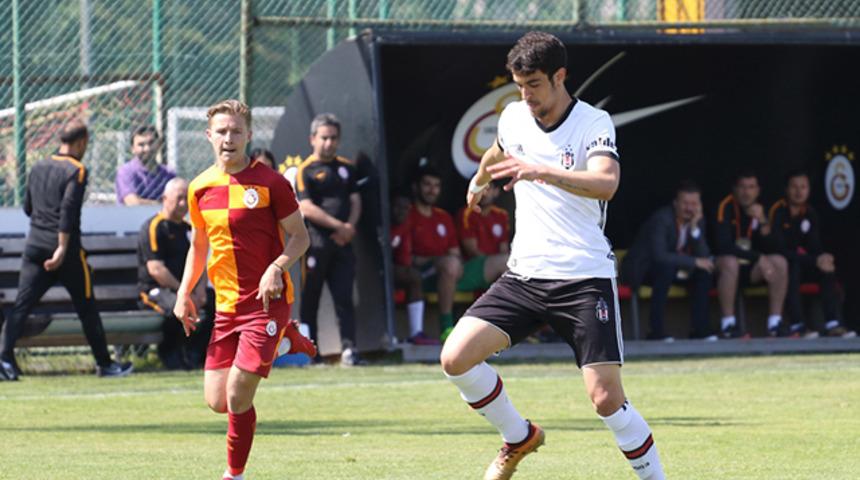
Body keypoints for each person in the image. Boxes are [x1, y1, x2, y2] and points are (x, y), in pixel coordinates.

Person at [440, 32, 665, 480]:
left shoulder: (593, 122)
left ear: (560, 77)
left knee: (605, 399)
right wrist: (480, 180)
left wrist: (540, 171)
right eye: (520, 85)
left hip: (584, 278)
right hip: (524, 276)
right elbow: (497, 152)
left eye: (534, 85)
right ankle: (518, 436)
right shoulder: (513, 118)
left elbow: (606, 183)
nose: (526, 95)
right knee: (455, 358)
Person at [173, 99, 317, 480]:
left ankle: (234, 474)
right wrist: (184, 292)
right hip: (226, 306)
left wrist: (276, 267)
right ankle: (284, 341)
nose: (229, 138)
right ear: (208, 135)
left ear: (249, 135)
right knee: (217, 401)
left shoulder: (271, 183)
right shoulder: (199, 187)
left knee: (237, 395)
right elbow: (198, 246)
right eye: (221, 131)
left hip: (267, 302)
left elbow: (301, 237)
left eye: (236, 131)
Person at [0, 119, 133, 381]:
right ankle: (105, 364)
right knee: (86, 307)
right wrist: (61, 247)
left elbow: (28, 208)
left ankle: (3, 359)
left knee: (21, 305)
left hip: (35, 245)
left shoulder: (38, 166)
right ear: (81, 142)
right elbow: (68, 212)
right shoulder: (77, 170)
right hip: (66, 252)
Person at [296, 113, 363, 365]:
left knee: (344, 297)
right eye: (324, 138)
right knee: (310, 298)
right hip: (315, 243)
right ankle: (310, 352)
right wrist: (339, 226)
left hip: (343, 244)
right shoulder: (305, 170)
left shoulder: (347, 167)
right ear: (312, 139)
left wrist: (350, 227)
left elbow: (356, 200)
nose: (329, 143)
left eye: (333, 138)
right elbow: (306, 207)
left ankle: (349, 350)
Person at [621, 180, 716, 341]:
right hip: (642, 269)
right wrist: (694, 262)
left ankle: (700, 330)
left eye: (694, 204)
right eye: (685, 203)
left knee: (703, 273)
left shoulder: (697, 220)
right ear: (675, 203)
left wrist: (694, 229)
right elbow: (660, 256)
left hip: (673, 268)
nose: (689, 208)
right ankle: (655, 332)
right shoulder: (662, 219)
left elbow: (704, 256)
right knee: (666, 269)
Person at [769, 171, 856, 338]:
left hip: (804, 262)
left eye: (803, 187)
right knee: (792, 267)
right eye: (794, 187)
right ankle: (797, 325)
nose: (799, 191)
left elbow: (814, 245)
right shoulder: (778, 211)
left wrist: (823, 257)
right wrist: (814, 259)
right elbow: (779, 249)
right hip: (780, 267)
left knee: (826, 269)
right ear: (786, 189)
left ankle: (833, 324)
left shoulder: (810, 212)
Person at [137, 177, 211, 369]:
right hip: (155, 290)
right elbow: (156, 270)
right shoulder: (154, 227)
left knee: (216, 303)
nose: (183, 204)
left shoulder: (189, 229)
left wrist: (200, 290)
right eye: (179, 198)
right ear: (164, 198)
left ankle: (197, 354)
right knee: (176, 307)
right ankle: (170, 353)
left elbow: (200, 261)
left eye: (187, 198)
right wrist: (184, 292)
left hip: (186, 290)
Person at [715, 171, 788, 338]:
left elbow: (777, 246)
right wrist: (758, 257)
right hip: (723, 269)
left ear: (758, 190)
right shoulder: (725, 206)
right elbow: (723, 245)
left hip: (751, 269)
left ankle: (775, 323)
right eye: (742, 187)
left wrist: (762, 220)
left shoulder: (762, 208)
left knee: (780, 261)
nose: (746, 192)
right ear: (734, 189)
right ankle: (728, 325)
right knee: (730, 262)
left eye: (751, 187)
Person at [408, 165, 464, 342]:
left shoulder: (443, 217)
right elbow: (408, 258)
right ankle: (446, 327)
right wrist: (438, 260)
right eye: (427, 184)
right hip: (421, 274)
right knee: (450, 264)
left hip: (448, 272)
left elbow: (455, 252)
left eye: (436, 186)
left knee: (502, 263)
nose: (432, 190)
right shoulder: (407, 214)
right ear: (415, 187)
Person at [389, 188, 434, 345]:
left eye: (406, 208)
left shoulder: (405, 225)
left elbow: (404, 261)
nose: (401, 212)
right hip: (371, 273)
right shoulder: (382, 224)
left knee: (413, 276)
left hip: (392, 271)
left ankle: (416, 333)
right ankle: (386, 334)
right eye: (397, 207)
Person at [455, 180, 510, 291]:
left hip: (497, 266)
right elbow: (472, 251)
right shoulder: (467, 213)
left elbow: (503, 249)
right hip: (471, 268)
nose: (484, 192)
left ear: (496, 192)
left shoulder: (502, 215)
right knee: (505, 262)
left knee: (512, 263)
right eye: (480, 188)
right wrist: (495, 264)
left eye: (488, 188)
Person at [115, 125, 175, 205]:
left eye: (151, 143)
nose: (147, 149)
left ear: (159, 145)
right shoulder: (126, 172)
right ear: (132, 149)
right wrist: (162, 205)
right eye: (141, 145)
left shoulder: (168, 174)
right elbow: (132, 203)